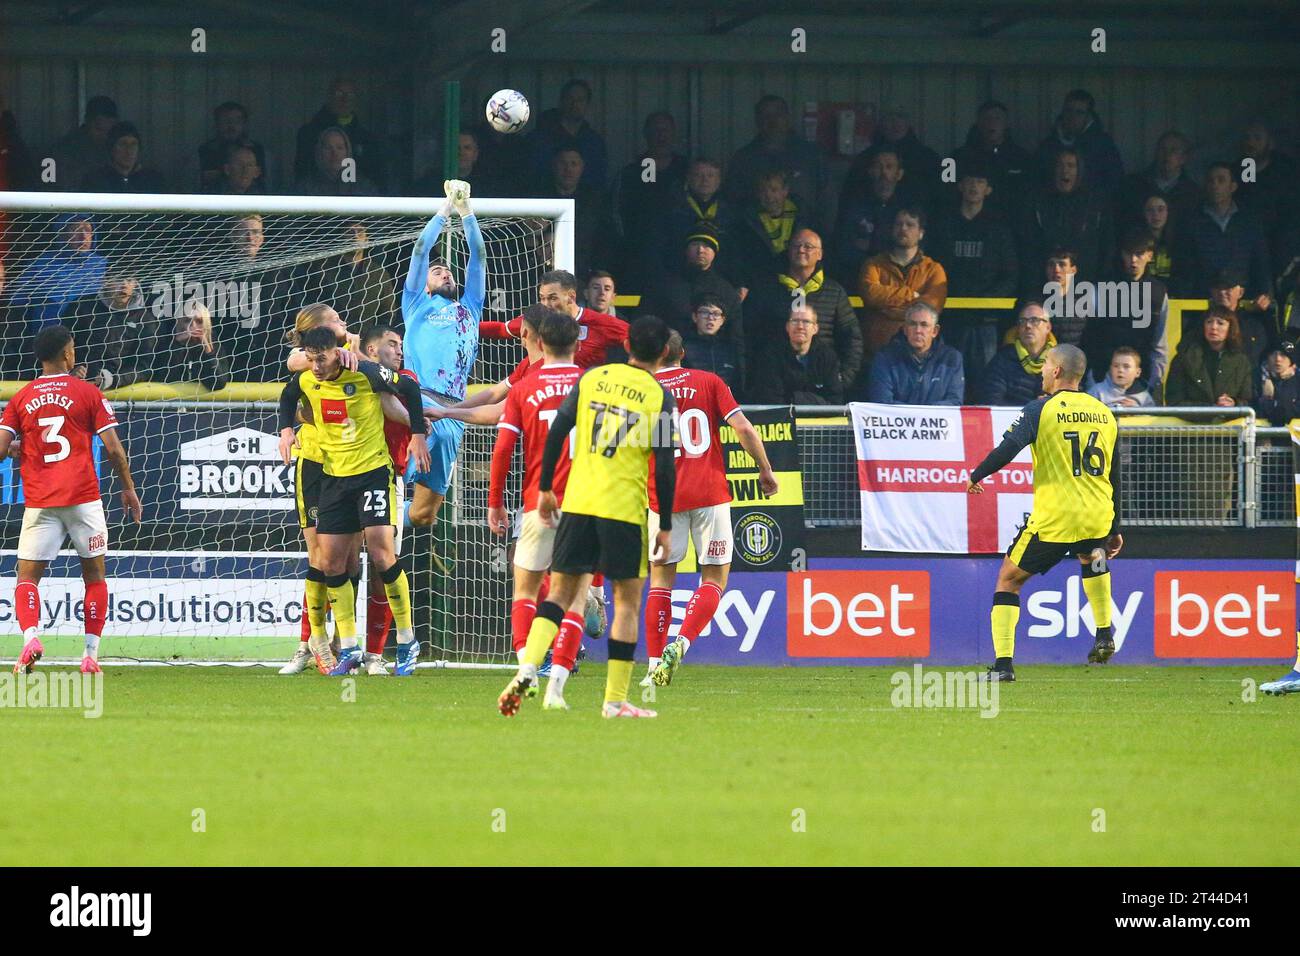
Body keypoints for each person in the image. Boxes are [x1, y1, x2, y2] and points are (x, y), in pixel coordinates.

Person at [498, 315, 678, 719]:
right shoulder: (660, 397)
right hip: (624, 510)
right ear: (664, 353)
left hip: (576, 504)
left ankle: (528, 667)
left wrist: (545, 487)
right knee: (626, 605)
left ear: (626, 343)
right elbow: (665, 466)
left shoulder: (593, 378)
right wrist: (665, 523)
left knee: (559, 594)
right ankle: (614, 700)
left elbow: (560, 429)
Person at [276, 326, 430, 676]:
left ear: (337, 352)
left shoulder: (366, 372)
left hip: (373, 472)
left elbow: (407, 386)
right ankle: (349, 647)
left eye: (322, 358)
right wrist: (286, 430)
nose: (316, 366)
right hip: (334, 477)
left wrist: (417, 434)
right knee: (331, 562)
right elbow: (287, 396)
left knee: (379, 552)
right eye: (311, 359)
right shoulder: (307, 379)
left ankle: (407, 640)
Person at [967, 343, 1123, 682]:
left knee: (1009, 579)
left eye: (1045, 365)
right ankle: (1103, 632)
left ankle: (1003, 667)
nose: (1040, 371)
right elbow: (1114, 472)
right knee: (1092, 557)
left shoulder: (1041, 410)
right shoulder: (1105, 413)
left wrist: (977, 474)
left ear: (1056, 371)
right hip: (1096, 514)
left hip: (1056, 517)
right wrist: (1116, 525)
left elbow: (1009, 448)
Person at [0, 325, 143, 675]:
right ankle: (90, 657)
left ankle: (31, 638)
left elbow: (2, 449)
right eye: (73, 347)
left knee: (27, 579)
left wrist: (18, 448)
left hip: (41, 500)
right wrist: (128, 487)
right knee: (94, 578)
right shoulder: (88, 393)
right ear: (67, 354)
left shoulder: (21, 397)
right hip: (83, 498)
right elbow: (113, 449)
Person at [644, 331, 778, 687]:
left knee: (660, 581)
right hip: (709, 492)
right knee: (715, 577)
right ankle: (683, 642)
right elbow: (743, 428)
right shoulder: (709, 381)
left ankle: (653, 662)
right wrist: (764, 468)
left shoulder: (642, 390)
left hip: (663, 496)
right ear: (682, 353)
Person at [484, 310, 597, 708]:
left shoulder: (524, 388)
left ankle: (525, 668)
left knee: (526, 590)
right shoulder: (592, 385)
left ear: (540, 343)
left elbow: (502, 450)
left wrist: (495, 502)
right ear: (578, 344)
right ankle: (556, 691)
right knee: (576, 598)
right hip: (586, 504)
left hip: (538, 501)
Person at [402, 179, 485, 529]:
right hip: (417, 405)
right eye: (438, 272)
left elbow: (478, 256)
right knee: (392, 487)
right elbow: (421, 250)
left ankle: (380, 525)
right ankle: (370, 524)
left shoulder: (471, 307)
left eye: (449, 271)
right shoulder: (416, 302)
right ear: (424, 283)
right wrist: (446, 209)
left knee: (423, 515)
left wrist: (468, 212)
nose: (446, 272)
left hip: (454, 413)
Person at [355, 323, 421, 675]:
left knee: (384, 565)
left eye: (400, 345)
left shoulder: (403, 379)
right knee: (338, 564)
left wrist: (425, 422)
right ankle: (334, 648)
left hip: (387, 479)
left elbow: (391, 403)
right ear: (371, 350)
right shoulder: (344, 373)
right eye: (391, 344)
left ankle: (376, 655)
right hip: (344, 477)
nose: (399, 350)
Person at [926, 160, 1018, 390]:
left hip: (984, 322)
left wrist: (986, 303)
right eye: (969, 180)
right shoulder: (944, 225)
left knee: (984, 382)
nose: (974, 186)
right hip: (949, 318)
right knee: (946, 380)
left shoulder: (999, 229)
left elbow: (1010, 275)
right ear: (960, 185)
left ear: (988, 189)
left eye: (980, 181)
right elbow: (931, 268)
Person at [745, 228, 862, 393]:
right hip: (774, 382)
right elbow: (748, 334)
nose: (801, 250)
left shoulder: (835, 291)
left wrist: (842, 378)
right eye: (796, 246)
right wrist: (756, 376)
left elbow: (852, 339)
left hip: (822, 381)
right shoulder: (765, 289)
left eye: (808, 246)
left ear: (820, 254)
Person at [642, 225, 745, 387]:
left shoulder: (727, 292)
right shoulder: (664, 287)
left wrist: (741, 381)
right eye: (695, 244)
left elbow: (736, 340)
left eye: (707, 246)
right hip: (666, 367)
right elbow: (646, 326)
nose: (701, 250)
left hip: (716, 372)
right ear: (686, 249)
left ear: (715, 253)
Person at [1079, 228, 1169, 391]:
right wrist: (1091, 379)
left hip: (1142, 380)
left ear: (1150, 255)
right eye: (1128, 254)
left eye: (1139, 254)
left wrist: (1152, 385)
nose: (1133, 260)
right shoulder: (1101, 286)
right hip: (1101, 379)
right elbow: (1089, 337)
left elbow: (1159, 345)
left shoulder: (1158, 292)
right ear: (1122, 254)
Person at [1173, 162, 1272, 305]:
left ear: (1233, 186)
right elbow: (1183, 266)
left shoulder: (1249, 222)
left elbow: (1261, 261)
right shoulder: (1191, 221)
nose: (1215, 185)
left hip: (1242, 304)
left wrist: (1265, 293)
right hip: (1202, 303)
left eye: (1221, 180)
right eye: (1210, 181)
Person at [859, 205, 948, 354]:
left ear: (921, 233)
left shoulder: (934, 269)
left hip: (919, 351)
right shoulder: (873, 264)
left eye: (910, 224)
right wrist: (911, 296)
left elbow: (933, 305)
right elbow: (871, 294)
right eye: (899, 224)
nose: (903, 228)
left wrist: (888, 310)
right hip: (878, 347)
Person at [725, 95, 826, 221]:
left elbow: (827, 198)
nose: (772, 121)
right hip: (756, 234)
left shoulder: (810, 155)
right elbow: (732, 202)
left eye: (778, 114)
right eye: (766, 116)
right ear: (757, 121)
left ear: (788, 118)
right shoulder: (743, 159)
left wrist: (819, 234)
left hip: (804, 234)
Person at [5, 214, 108, 335]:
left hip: (91, 340)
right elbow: (17, 305)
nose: (83, 236)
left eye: (88, 230)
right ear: (62, 234)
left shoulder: (102, 265)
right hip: (50, 340)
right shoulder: (41, 264)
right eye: (76, 230)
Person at [831, 146, 908, 284]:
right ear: (870, 171)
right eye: (878, 167)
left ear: (899, 174)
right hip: (856, 280)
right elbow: (843, 248)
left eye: (889, 167)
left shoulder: (908, 210)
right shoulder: (853, 206)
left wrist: (871, 248)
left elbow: (911, 252)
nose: (883, 172)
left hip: (898, 283)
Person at [950, 100, 1034, 222]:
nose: (992, 123)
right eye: (987, 118)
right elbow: (945, 192)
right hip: (969, 224)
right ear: (978, 123)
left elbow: (1029, 196)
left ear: (1006, 124)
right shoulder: (956, 158)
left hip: (1010, 226)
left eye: (997, 118)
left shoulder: (1023, 159)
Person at [866, 301, 964, 406]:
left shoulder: (951, 358)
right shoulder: (885, 358)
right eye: (913, 324)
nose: (918, 330)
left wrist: (922, 415)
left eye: (924, 325)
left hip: (934, 421)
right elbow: (881, 402)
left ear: (935, 331)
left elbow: (954, 402)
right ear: (905, 329)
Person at [294, 77, 385, 189]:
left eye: (350, 95)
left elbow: (376, 178)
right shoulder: (309, 134)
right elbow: (301, 172)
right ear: (329, 97)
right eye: (339, 94)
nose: (345, 99)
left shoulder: (367, 139)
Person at [1034, 89, 1124, 198]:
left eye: (1079, 112)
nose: (1072, 116)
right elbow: (1037, 182)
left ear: (1088, 116)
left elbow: (1114, 183)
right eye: (1069, 110)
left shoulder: (1103, 146)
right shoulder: (1048, 146)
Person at [748, 306, 843, 405]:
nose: (800, 326)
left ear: (815, 328)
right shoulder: (770, 356)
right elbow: (771, 400)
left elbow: (835, 401)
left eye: (806, 321)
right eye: (795, 321)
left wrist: (795, 398)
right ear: (787, 327)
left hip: (820, 420)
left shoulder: (828, 357)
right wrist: (814, 401)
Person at [527, 78, 609, 188]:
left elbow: (599, 179)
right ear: (561, 101)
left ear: (587, 105)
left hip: (586, 202)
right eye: (570, 98)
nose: (574, 104)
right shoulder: (539, 139)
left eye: (580, 100)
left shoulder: (594, 142)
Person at [1164, 308, 1254, 408]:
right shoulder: (1184, 358)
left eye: (1220, 323)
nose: (1213, 327)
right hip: (1191, 422)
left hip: (1229, 422)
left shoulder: (1241, 362)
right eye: (1209, 322)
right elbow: (1174, 400)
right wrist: (1210, 408)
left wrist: (1234, 403)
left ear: (1231, 328)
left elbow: (1248, 400)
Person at [978, 301, 1056, 406]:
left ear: (1048, 327)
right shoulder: (1002, 360)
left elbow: (1074, 399)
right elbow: (991, 401)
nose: (1027, 325)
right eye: (1022, 321)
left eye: (1035, 320)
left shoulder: (1061, 361)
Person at [46, 95, 118, 192]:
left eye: (109, 132)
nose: (103, 136)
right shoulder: (63, 150)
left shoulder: (117, 152)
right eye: (99, 129)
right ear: (87, 121)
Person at [198, 102, 267, 193]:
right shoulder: (206, 150)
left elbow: (262, 181)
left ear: (244, 124)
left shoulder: (256, 149)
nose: (231, 126)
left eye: (237, 121)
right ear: (217, 123)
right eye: (225, 121)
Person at [79, 122, 167, 193]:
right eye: (123, 144)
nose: (129, 150)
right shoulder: (96, 180)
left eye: (133, 144)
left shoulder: (153, 180)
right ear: (112, 148)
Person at [161, 301, 231, 391]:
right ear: (180, 323)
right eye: (187, 321)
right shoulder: (167, 345)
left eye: (199, 321)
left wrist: (206, 347)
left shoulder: (214, 347)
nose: (193, 326)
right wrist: (177, 345)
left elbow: (218, 383)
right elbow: (164, 378)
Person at [294, 126, 378, 197]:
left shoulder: (363, 186)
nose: (334, 153)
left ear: (348, 152)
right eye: (328, 148)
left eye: (340, 148)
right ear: (319, 152)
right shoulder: (305, 188)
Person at [680, 294, 740, 390]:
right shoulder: (683, 347)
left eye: (716, 314)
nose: (710, 318)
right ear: (695, 317)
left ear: (722, 320)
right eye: (704, 312)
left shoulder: (730, 349)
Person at [1087, 346, 1155, 408]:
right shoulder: (1097, 391)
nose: (1120, 370)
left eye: (1126, 366)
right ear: (1110, 369)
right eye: (1116, 366)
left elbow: (1152, 419)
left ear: (1137, 372)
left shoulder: (1144, 396)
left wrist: (1137, 410)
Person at [1257, 342, 1300, 426]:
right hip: (1261, 437)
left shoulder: (1298, 380)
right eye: (1273, 354)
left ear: (1291, 360)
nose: (1278, 359)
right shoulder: (1257, 378)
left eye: (1283, 355)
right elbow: (1253, 406)